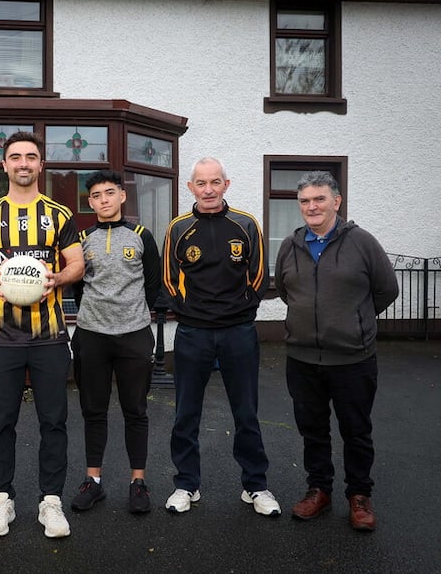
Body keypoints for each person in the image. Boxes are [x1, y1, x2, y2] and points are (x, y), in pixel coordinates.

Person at [0, 131, 84, 538]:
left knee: (54, 420)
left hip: (50, 335)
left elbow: (77, 264)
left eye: (31, 156)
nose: (23, 163)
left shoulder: (60, 214)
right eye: (15, 157)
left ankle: (51, 501)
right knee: (2, 421)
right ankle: (2, 499)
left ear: (40, 164)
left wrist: (57, 278)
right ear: (4, 165)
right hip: (2, 337)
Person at [275, 171, 398, 531]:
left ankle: (359, 495)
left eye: (319, 199)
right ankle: (319, 490)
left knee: (356, 431)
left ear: (336, 202)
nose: (311, 207)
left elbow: (386, 290)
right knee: (312, 430)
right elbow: (286, 291)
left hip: (352, 360)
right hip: (302, 359)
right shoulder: (290, 244)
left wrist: (353, 320)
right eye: (304, 201)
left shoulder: (361, 242)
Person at [161, 157, 281, 517]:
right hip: (193, 332)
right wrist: (189, 312)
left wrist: (242, 309)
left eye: (215, 182)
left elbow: (259, 275)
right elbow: (168, 279)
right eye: (201, 183)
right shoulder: (178, 229)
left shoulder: (245, 224)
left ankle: (256, 486)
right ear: (191, 188)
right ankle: (186, 484)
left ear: (226, 185)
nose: (209, 189)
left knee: (246, 412)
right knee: (186, 412)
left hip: (238, 332)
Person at [69, 169, 160, 515]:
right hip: (92, 336)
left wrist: (132, 317)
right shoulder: (82, 237)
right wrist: (96, 316)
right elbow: (78, 286)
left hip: (134, 336)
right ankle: (93, 481)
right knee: (93, 410)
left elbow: (152, 285)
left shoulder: (141, 235)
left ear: (122, 196)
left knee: (135, 410)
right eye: (95, 195)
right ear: (89, 201)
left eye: (109, 193)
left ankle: (138, 482)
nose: (103, 200)